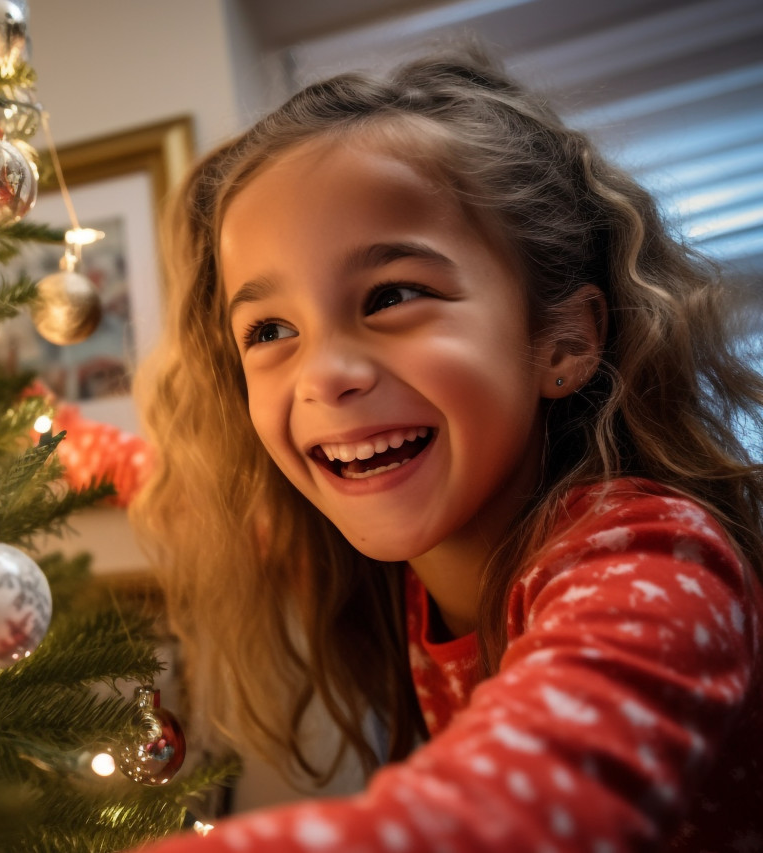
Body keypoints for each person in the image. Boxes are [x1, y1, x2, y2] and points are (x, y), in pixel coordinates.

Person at [128, 43, 763, 851]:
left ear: (563, 341)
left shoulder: (652, 554)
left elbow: (511, 808)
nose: (326, 375)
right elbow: (168, 478)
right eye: (272, 330)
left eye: (392, 295)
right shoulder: (363, 543)